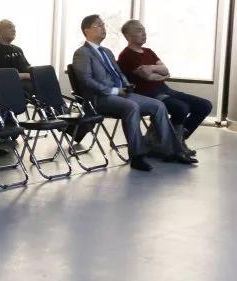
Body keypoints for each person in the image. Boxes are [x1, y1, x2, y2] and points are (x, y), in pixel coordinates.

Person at [71, 15, 195, 171]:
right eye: (98, 25)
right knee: (131, 106)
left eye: (103, 24)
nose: (103, 28)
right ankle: (137, 156)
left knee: (158, 105)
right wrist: (114, 90)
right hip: (100, 98)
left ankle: (172, 151)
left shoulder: (107, 52)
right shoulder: (82, 53)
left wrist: (126, 84)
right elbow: (86, 81)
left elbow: (118, 73)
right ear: (87, 30)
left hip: (122, 93)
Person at [118, 19, 211, 155]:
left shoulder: (149, 51)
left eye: (144, 30)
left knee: (205, 105)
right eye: (139, 30)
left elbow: (166, 71)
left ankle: (174, 139)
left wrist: (152, 68)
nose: (144, 33)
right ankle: (174, 144)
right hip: (147, 94)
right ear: (128, 36)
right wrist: (160, 73)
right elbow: (148, 77)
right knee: (181, 108)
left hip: (164, 90)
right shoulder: (126, 55)